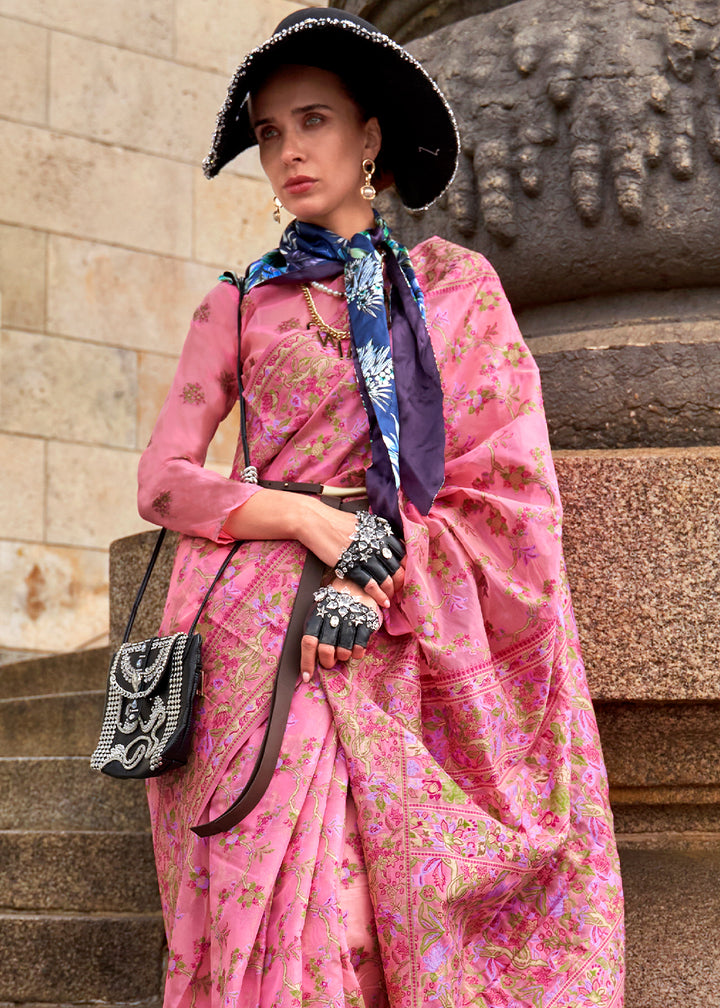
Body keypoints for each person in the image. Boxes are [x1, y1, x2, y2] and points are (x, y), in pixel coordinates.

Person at [137, 8, 625, 1007]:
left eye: (312, 120)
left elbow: (506, 487)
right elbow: (165, 479)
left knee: (356, 916)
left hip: (394, 628)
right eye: (269, 132)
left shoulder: (456, 293)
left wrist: (376, 568)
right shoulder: (235, 306)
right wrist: (308, 522)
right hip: (252, 637)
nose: (288, 151)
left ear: (371, 139)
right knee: (279, 911)